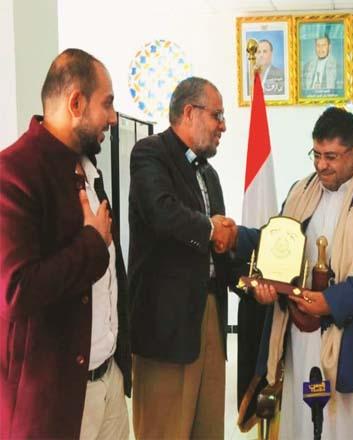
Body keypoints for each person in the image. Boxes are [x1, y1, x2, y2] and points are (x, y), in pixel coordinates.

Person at [235, 107, 353, 439]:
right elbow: (276, 245)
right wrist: (244, 249)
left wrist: (331, 302)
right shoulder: (302, 190)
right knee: (307, 425)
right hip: (303, 338)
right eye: (315, 154)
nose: (320, 165)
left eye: (331, 156)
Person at [0, 48, 131, 439]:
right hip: (56, 402)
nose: (113, 117)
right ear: (76, 102)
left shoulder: (88, 166)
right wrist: (91, 245)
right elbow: (14, 290)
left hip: (108, 383)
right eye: (106, 104)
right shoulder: (13, 174)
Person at [128, 76, 238, 438]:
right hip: (166, 327)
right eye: (217, 115)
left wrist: (252, 280)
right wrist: (211, 229)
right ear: (189, 113)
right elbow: (162, 212)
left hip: (209, 318)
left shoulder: (209, 174)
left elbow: (218, 247)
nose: (223, 126)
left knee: (208, 431)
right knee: (164, 431)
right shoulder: (149, 154)